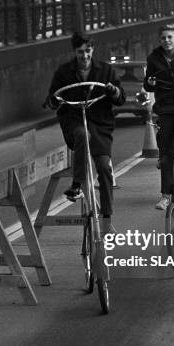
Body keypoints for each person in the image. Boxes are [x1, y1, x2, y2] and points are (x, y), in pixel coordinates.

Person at [46, 32, 125, 233]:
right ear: (75, 52)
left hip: (100, 124)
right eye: (80, 52)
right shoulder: (64, 72)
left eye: (88, 51)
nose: (85, 56)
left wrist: (113, 91)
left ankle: (107, 217)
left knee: (104, 168)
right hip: (74, 122)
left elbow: (120, 97)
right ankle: (77, 184)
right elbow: (52, 99)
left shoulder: (105, 71)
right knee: (82, 134)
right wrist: (54, 100)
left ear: (93, 50)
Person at [144, 24, 174, 210]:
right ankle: (166, 194)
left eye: (170, 37)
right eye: (163, 38)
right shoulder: (153, 57)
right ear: (160, 40)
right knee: (166, 151)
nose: (166, 41)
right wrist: (149, 82)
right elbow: (148, 84)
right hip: (165, 105)